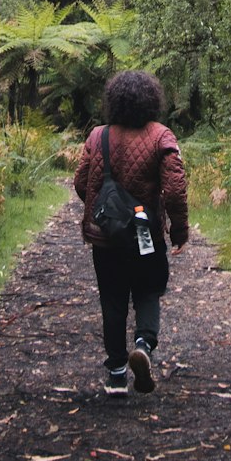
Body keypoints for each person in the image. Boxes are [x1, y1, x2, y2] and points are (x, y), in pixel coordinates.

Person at [74, 69, 189, 396]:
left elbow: (82, 183)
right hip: (143, 233)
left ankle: (116, 374)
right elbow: (175, 189)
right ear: (153, 100)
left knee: (112, 300)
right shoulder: (161, 136)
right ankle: (143, 344)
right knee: (148, 289)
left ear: (114, 101)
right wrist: (178, 229)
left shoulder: (98, 136)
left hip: (106, 236)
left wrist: (105, 214)